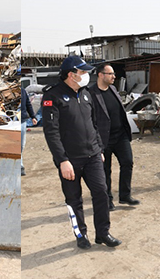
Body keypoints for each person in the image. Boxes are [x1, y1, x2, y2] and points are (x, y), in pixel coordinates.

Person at [42, 55, 121, 249]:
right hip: (70, 160)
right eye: (83, 72)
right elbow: (51, 132)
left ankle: (103, 233)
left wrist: (99, 148)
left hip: (93, 155)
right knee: (74, 200)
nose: (86, 75)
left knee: (101, 193)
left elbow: (94, 124)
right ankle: (81, 235)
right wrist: (62, 160)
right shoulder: (53, 96)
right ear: (71, 74)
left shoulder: (86, 94)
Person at [88, 64, 140, 210]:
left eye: (113, 74)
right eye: (110, 74)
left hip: (120, 136)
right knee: (105, 170)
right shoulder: (91, 93)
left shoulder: (113, 89)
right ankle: (107, 200)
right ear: (100, 75)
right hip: (103, 139)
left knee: (127, 163)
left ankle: (125, 196)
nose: (114, 76)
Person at [20, 87, 36, 176]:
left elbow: (28, 104)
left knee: (21, 144)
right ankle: (20, 166)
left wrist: (33, 116)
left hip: (22, 121)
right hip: (13, 121)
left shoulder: (23, 91)